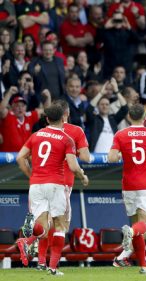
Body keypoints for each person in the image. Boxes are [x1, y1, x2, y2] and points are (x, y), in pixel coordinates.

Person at [15, 103, 88, 276]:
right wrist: (82, 176)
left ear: (47, 118)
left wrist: (31, 175)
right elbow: (73, 165)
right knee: (61, 226)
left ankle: (28, 240)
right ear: (64, 118)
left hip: (36, 185)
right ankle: (53, 268)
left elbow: (20, 157)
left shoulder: (36, 135)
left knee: (42, 225)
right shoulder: (66, 139)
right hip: (57, 184)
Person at [108, 104, 146, 274]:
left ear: (129, 116)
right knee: (145, 228)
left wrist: (126, 156)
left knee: (138, 227)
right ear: (145, 117)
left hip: (128, 185)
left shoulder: (121, 134)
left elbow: (112, 158)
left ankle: (143, 266)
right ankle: (131, 232)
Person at [35, 99, 90, 270]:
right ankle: (52, 264)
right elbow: (86, 157)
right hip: (63, 183)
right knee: (60, 224)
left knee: (47, 222)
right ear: (67, 113)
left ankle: (41, 261)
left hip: (42, 181)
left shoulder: (43, 132)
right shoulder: (75, 131)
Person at [0, 87, 51, 152]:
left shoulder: (28, 116)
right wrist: (9, 93)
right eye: (17, 106)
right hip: (7, 158)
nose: (20, 108)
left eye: (22, 106)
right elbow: (1, 110)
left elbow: (46, 112)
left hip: (23, 158)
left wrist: (48, 97)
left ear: (26, 107)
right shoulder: (9, 116)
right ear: (12, 107)